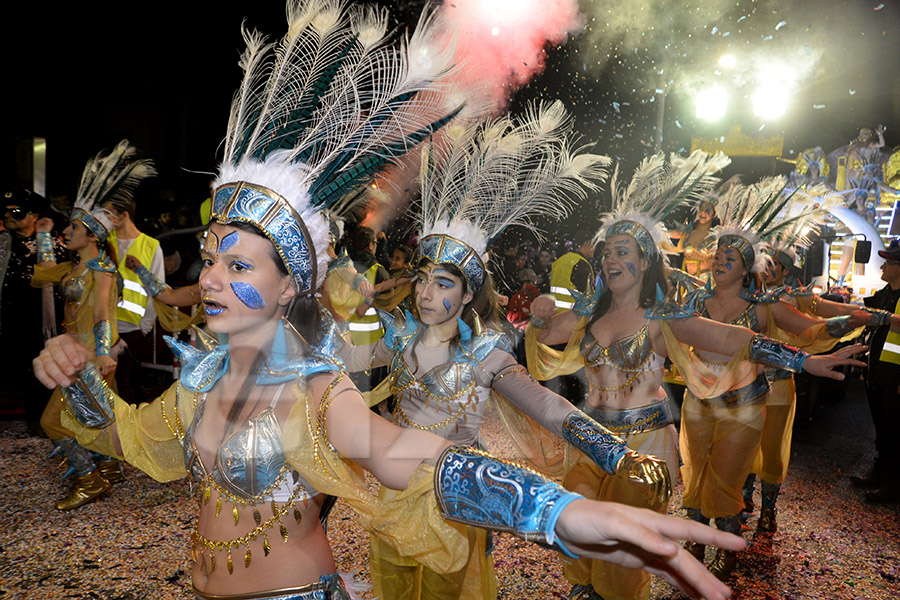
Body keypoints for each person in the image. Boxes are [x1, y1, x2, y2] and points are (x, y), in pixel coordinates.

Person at [32, 5, 747, 600]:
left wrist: (555, 509)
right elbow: (127, 435)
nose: (211, 278)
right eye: (213, 260)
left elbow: (398, 446)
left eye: (238, 264)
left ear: (290, 286)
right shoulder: (203, 381)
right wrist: (79, 377)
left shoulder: (322, 391)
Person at [338, 103, 684, 600]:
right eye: (421, 281)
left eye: (443, 284)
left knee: (447, 590)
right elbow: (337, 365)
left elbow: (547, 404)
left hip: (457, 491)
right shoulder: (396, 338)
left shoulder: (484, 353)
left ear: (466, 293)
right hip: (397, 488)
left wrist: (612, 451)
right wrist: (341, 306)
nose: (427, 295)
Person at [673, 177, 869, 577]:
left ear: (748, 268)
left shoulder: (763, 307)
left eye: (733, 255)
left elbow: (809, 328)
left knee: (728, 477)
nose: (722, 258)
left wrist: (861, 319)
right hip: (697, 402)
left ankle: (726, 543)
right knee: (694, 472)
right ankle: (694, 537)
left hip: (744, 406)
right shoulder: (691, 302)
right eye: (719, 252)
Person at [33, 143, 150, 508]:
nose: (68, 231)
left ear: (93, 235)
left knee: (53, 421)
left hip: (87, 356)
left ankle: (89, 478)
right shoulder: (76, 267)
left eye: (74, 227)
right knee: (96, 416)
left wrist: (102, 355)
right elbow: (42, 274)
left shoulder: (102, 271)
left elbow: (103, 314)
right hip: (75, 351)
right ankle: (109, 466)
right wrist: (42, 233)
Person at [0, 186, 66, 435]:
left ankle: (41, 424)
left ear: (33, 216)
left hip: (40, 321)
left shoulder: (54, 244)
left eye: (15, 211)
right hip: (6, 319)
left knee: (39, 374)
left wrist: (44, 237)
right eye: (5, 211)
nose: (8, 216)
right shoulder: (2, 242)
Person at [100, 143, 162, 404]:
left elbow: (157, 288)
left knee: (123, 381)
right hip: (105, 324)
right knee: (105, 382)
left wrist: (144, 328)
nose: (105, 218)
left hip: (131, 327)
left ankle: (124, 436)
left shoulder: (151, 245)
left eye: (109, 214)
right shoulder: (104, 241)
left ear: (124, 215)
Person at [859, 241, 900, 503]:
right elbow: (864, 312)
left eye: (888, 262)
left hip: (895, 377)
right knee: (882, 428)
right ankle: (880, 472)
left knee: (895, 430)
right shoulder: (887, 292)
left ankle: (893, 485)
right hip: (877, 373)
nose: (883, 266)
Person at [550, 229, 596, 311]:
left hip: (555, 316)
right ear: (585, 244)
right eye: (593, 244)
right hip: (572, 317)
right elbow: (589, 297)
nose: (595, 248)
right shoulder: (581, 264)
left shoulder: (559, 261)